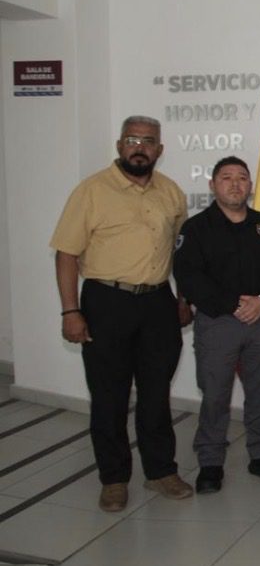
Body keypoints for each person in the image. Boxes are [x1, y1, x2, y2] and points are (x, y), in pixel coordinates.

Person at [50, 115, 193, 512]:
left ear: (159, 149)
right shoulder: (92, 190)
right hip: (106, 302)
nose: (139, 147)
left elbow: (181, 252)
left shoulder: (171, 192)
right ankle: (113, 479)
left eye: (148, 141)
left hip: (158, 303)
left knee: (156, 394)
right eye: (132, 140)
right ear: (119, 145)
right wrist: (70, 311)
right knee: (108, 396)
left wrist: (183, 299)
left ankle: (161, 471)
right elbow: (66, 254)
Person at [173, 156, 260, 494]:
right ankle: (210, 461)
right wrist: (234, 305)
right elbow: (188, 276)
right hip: (217, 322)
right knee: (215, 394)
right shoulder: (196, 228)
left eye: (242, 178)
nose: (235, 184)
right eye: (226, 178)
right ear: (213, 185)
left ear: (250, 186)